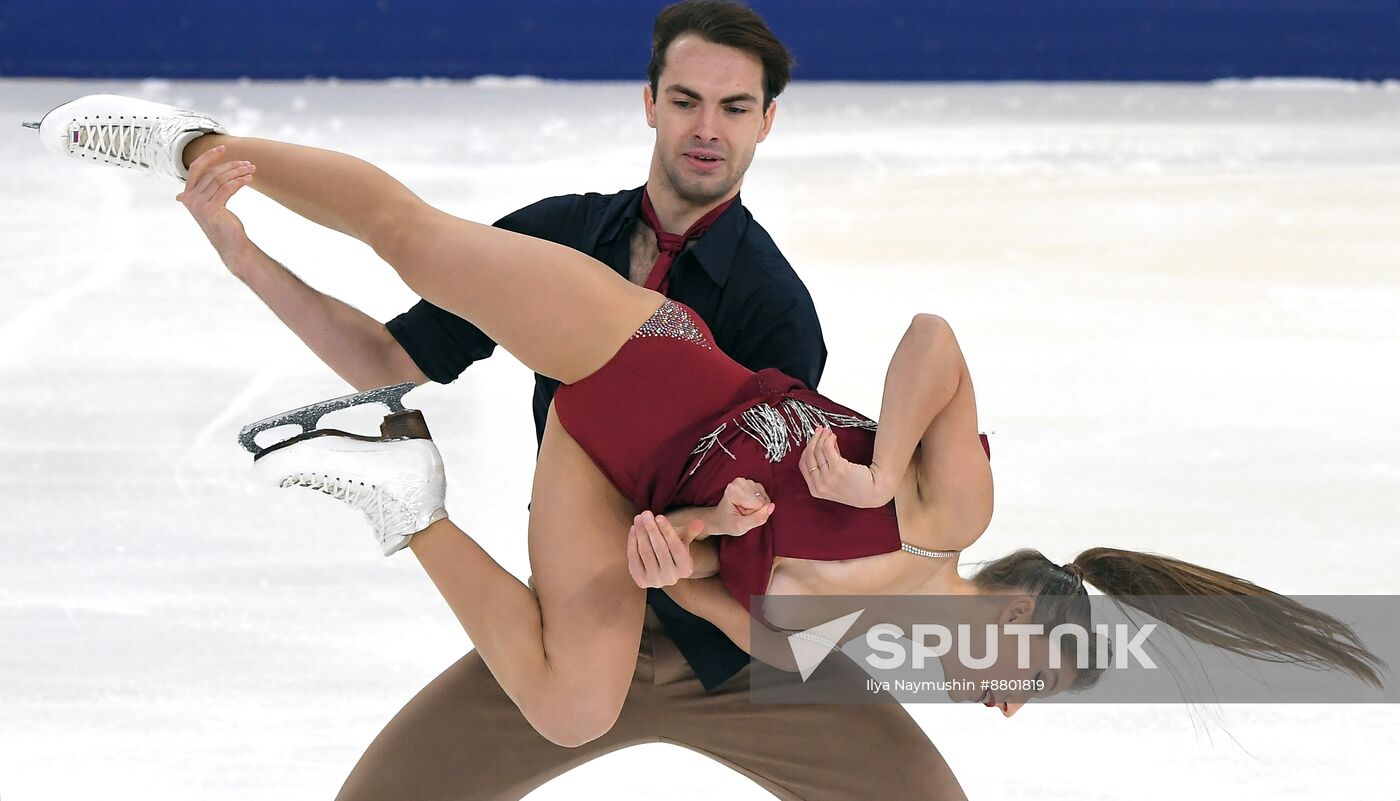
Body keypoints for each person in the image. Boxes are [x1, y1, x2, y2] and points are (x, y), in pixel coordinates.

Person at [33, 4, 982, 799]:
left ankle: (412, 503)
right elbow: (392, 359)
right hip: (588, 595)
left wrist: (696, 549)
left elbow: (771, 534)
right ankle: (195, 143)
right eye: (686, 100)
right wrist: (242, 254)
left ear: (765, 123)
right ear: (650, 103)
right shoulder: (569, 234)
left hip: (725, 647)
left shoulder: (775, 305)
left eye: (734, 108)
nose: (706, 127)